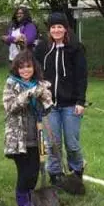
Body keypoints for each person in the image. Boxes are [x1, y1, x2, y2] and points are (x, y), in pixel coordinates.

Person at [34, 11, 88, 185]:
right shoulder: (42, 48)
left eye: (60, 27)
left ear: (65, 29)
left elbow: (81, 77)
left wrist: (80, 101)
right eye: (53, 27)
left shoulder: (76, 48)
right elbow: (33, 69)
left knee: (72, 144)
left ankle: (77, 169)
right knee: (52, 144)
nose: (56, 30)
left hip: (71, 104)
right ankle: (55, 174)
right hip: (49, 105)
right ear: (49, 30)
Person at [3, 50, 54, 206]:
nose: (25, 70)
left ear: (34, 68)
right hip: (18, 138)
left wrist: (45, 96)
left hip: (36, 135)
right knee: (24, 172)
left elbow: (47, 108)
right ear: (16, 69)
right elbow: (10, 107)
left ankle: (31, 199)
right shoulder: (11, 84)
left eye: (28, 67)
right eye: (22, 67)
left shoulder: (38, 84)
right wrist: (29, 94)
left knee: (34, 171)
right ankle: (23, 205)